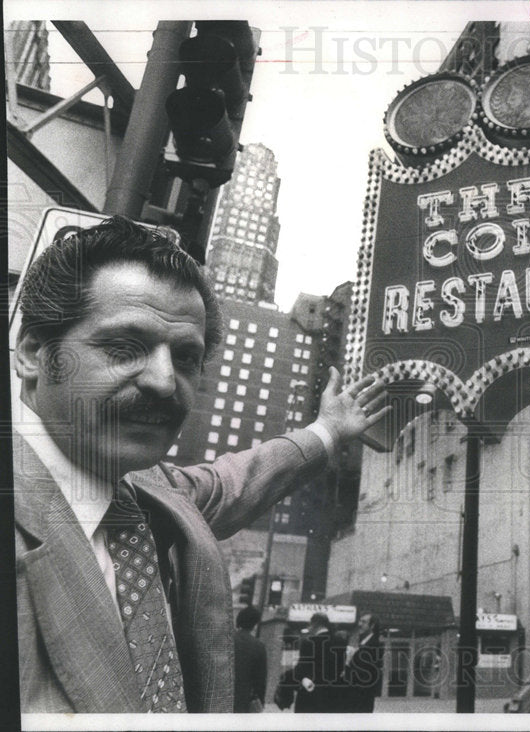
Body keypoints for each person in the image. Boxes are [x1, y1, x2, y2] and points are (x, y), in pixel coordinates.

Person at [11, 216, 389, 713]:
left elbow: (236, 480)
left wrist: (329, 430)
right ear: (34, 353)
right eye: (124, 348)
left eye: (186, 358)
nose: (165, 382)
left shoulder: (150, 494)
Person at [279, 613, 348, 713]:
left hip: (311, 696)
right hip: (333, 696)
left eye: (309, 624)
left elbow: (301, 670)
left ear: (315, 624)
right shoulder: (340, 642)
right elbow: (341, 668)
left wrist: (287, 676)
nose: (309, 628)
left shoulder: (309, 643)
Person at [341, 612, 384, 712]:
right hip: (357, 695)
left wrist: (347, 667)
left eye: (364, 622)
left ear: (372, 626)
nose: (359, 624)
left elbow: (365, 672)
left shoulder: (374, 644)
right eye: (359, 621)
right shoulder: (363, 642)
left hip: (361, 696)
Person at [233, 606, 267, 713]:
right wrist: (261, 701)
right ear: (255, 624)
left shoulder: (226, 639)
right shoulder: (258, 646)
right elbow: (260, 680)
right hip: (243, 700)